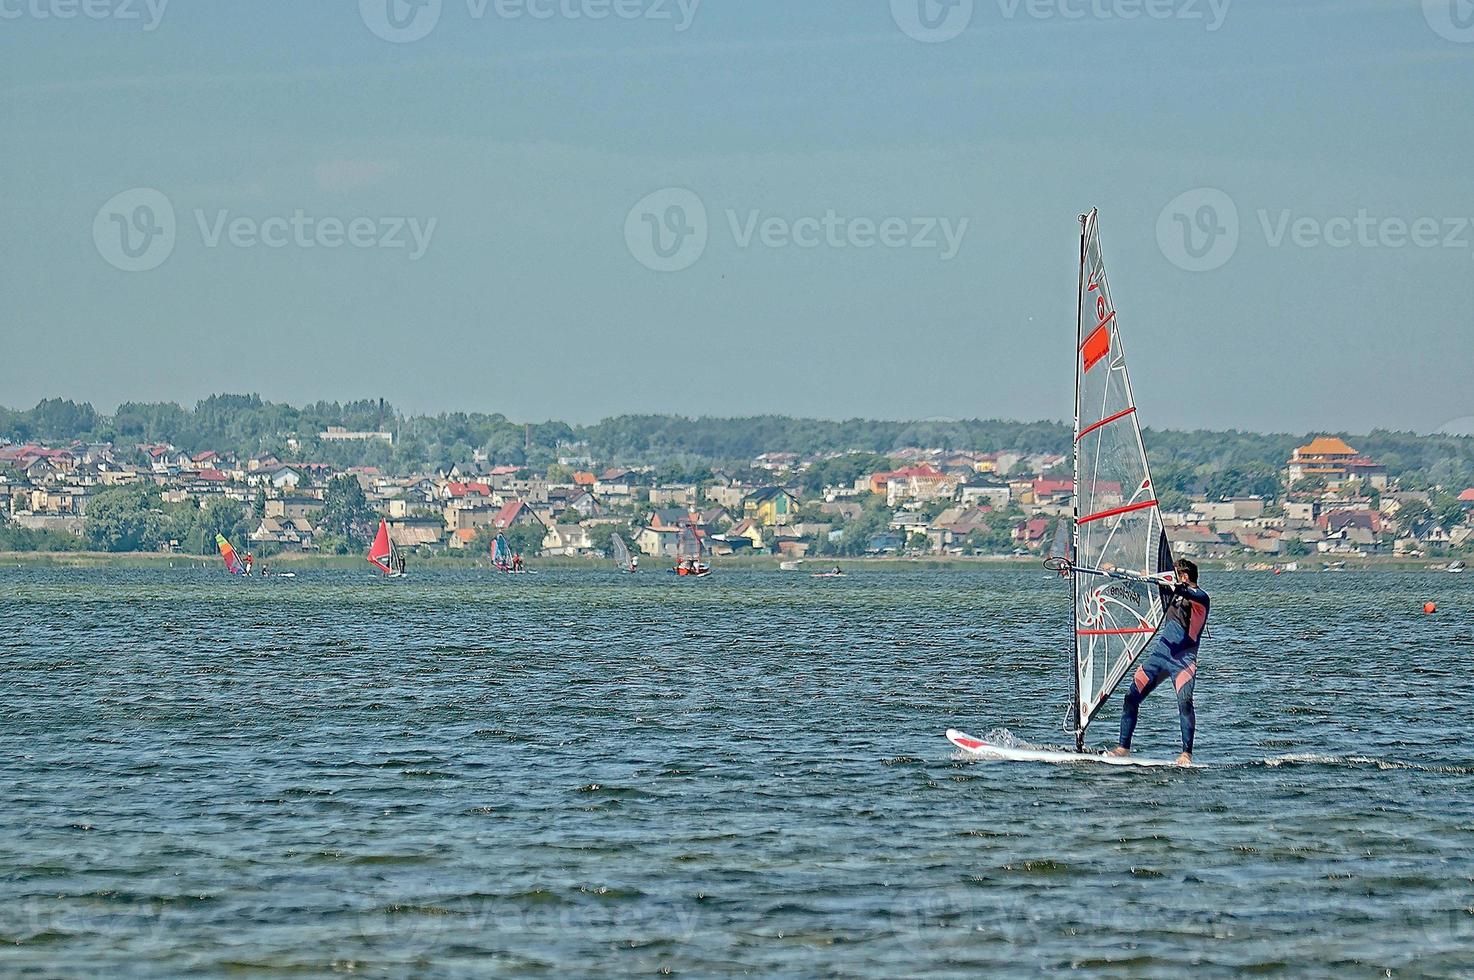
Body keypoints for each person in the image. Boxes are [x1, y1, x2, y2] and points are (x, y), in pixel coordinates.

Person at [1109, 558, 1209, 767]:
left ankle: (1186, 754)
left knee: (1184, 702)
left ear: (1183, 577)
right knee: (1131, 697)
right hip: (1160, 657)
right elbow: (1140, 586)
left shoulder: (1200, 598)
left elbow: (1185, 592)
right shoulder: (1172, 592)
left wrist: (1160, 580)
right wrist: (1115, 571)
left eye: (1172, 575)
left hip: (1184, 660)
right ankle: (1123, 748)